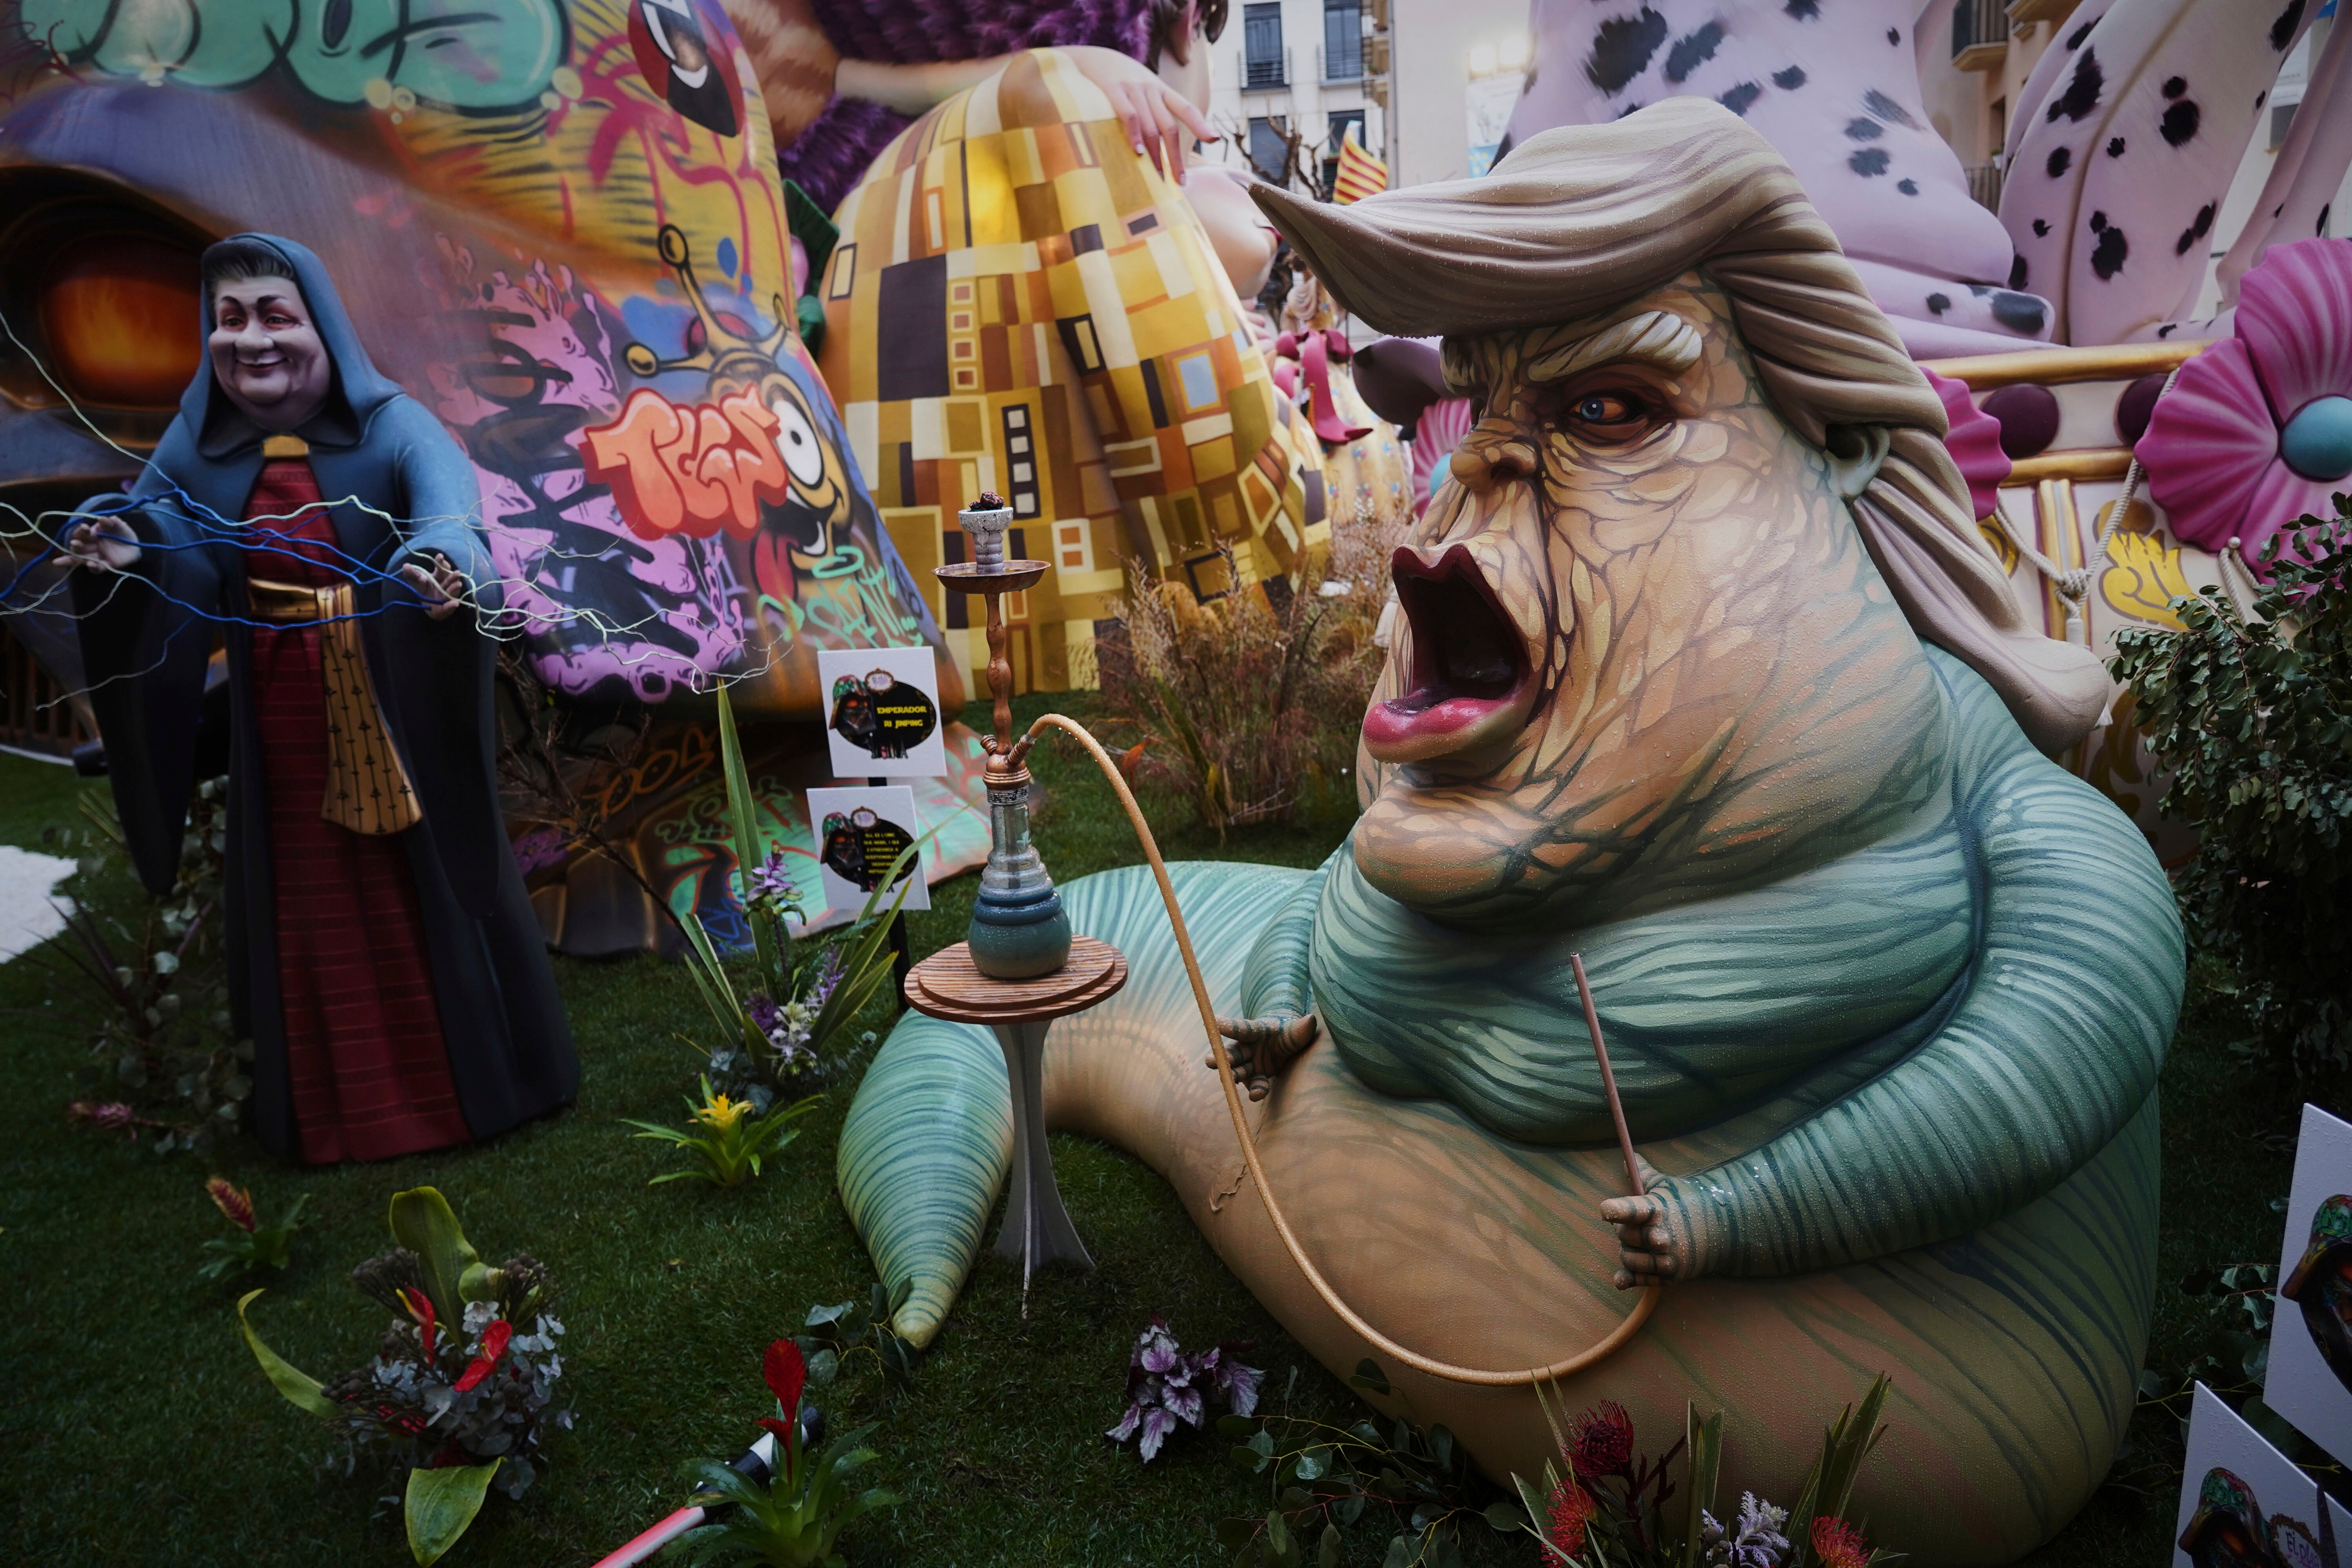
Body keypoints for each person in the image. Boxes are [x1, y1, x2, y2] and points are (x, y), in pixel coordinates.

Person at [64, 233, 577, 1165]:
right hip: (285, 724)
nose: (251, 339)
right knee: (304, 898)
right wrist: (127, 548)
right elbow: (170, 527)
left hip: (392, 706)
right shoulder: (198, 442)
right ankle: (332, 1108)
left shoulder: (395, 427)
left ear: (322, 327)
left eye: (274, 315)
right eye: (228, 319)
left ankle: (473, 1089)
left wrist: (441, 566)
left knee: (422, 886)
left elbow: (449, 511)